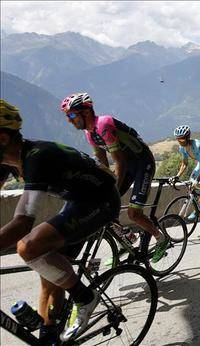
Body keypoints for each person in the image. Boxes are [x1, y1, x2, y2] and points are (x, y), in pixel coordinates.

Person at [0, 99, 121, 343]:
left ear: (2, 138)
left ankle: (85, 297)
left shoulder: (35, 157)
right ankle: (49, 336)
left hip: (102, 200)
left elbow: (23, 222)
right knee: (51, 274)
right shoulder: (7, 160)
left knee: (28, 246)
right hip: (78, 200)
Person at [60, 92, 167, 263]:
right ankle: (127, 240)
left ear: (86, 112)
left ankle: (162, 239)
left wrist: (112, 192)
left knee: (133, 213)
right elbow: (103, 165)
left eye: (72, 115)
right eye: (67, 116)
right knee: (105, 210)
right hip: (129, 166)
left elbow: (120, 163)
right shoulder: (89, 134)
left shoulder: (104, 124)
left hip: (142, 164)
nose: (69, 120)